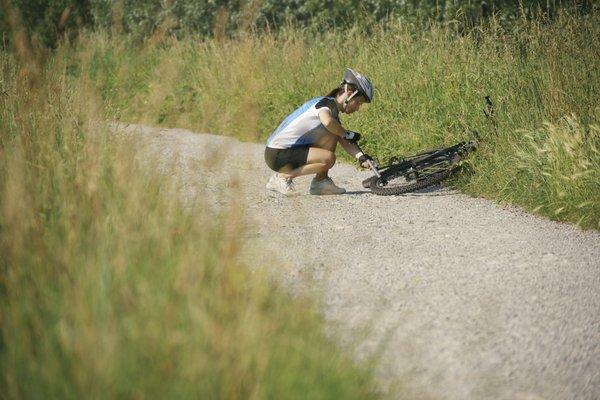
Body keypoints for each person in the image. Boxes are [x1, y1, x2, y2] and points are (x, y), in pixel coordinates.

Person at [264, 68, 376, 195]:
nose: (357, 108)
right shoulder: (324, 104)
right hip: (277, 154)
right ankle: (282, 177)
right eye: (359, 102)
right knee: (328, 158)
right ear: (349, 93)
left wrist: (361, 157)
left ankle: (320, 182)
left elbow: (343, 139)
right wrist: (346, 133)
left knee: (334, 134)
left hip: (286, 150)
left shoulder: (333, 111)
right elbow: (327, 122)